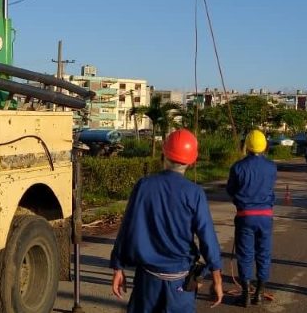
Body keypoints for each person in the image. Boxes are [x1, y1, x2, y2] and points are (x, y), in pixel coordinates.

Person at [110, 129, 224, 312]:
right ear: (192, 161)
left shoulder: (144, 186)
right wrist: (217, 278)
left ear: (164, 153)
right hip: (180, 282)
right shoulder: (194, 193)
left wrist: (118, 266)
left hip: (147, 282)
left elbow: (127, 229)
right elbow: (207, 237)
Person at [226, 130, 277, 307]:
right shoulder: (271, 167)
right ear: (264, 146)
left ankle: (246, 294)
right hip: (265, 216)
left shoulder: (237, 167)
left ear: (246, 145)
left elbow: (231, 190)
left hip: (245, 216)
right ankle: (260, 294)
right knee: (263, 254)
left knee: (245, 255)